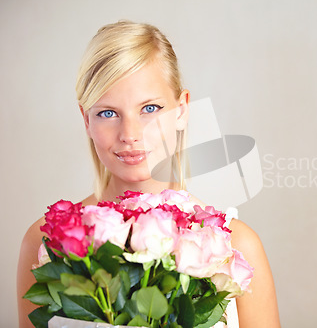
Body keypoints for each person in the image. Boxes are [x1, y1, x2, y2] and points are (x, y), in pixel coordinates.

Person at [17, 20, 280, 328]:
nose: (130, 134)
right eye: (108, 113)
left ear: (181, 110)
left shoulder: (237, 248)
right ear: (86, 119)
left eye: (150, 108)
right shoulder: (46, 242)